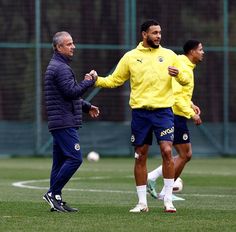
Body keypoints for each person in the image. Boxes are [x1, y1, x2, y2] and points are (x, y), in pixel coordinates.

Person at [90, 20, 190, 213]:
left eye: (160, 32)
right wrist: (95, 81)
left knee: (167, 151)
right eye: (154, 33)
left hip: (163, 112)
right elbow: (114, 80)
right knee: (140, 156)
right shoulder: (130, 57)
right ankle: (142, 203)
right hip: (140, 114)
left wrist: (178, 74)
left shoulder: (169, 55)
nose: (158, 36)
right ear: (144, 34)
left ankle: (168, 200)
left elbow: (185, 80)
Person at [43, 31, 99, 212]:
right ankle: (52, 193)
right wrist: (88, 81)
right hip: (64, 122)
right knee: (75, 159)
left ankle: (56, 199)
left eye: (72, 43)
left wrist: (87, 106)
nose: (73, 46)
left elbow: (66, 95)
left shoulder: (59, 65)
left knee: (59, 162)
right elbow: (71, 92)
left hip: (60, 120)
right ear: (59, 47)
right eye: (69, 44)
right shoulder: (60, 68)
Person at [147, 40, 204, 200]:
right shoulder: (184, 67)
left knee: (185, 154)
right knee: (185, 154)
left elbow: (180, 93)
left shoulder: (184, 64)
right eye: (200, 49)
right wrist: (192, 114)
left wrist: (191, 104)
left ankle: (155, 179)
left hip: (175, 113)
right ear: (192, 52)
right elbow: (177, 97)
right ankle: (165, 192)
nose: (203, 52)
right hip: (174, 114)